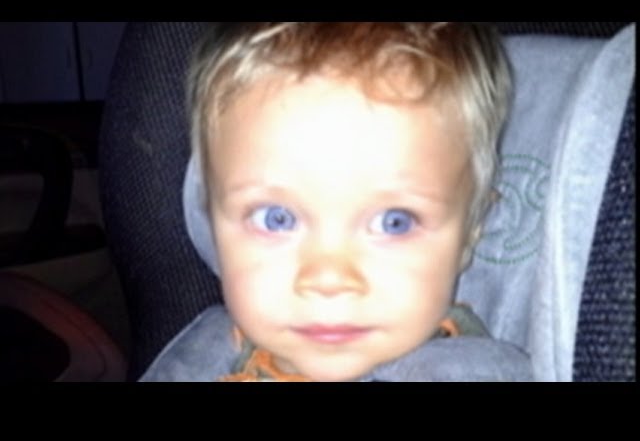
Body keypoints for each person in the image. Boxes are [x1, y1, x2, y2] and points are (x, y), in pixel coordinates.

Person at [140, 22, 533, 382]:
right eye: (276, 219)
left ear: (470, 233)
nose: (328, 279)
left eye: (394, 222)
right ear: (211, 219)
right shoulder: (207, 354)